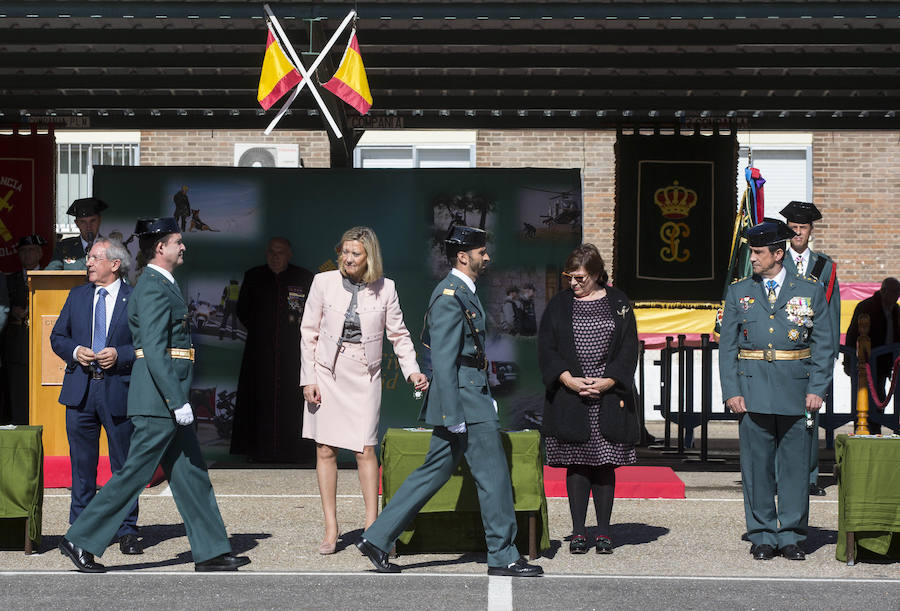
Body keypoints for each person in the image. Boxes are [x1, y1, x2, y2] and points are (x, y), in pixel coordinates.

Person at [59, 217, 250, 573]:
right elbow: (155, 348)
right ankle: (80, 538)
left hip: (165, 395)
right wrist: (176, 401)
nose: (183, 247)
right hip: (159, 398)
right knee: (134, 473)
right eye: (178, 241)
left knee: (192, 475)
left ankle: (209, 551)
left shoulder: (161, 284)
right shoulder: (150, 286)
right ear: (161, 248)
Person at [357, 226, 543, 577]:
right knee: (494, 477)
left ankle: (377, 538)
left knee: (432, 472)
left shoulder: (462, 292)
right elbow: (442, 359)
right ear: (463, 256)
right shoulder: (450, 295)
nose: (486, 257)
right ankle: (502, 555)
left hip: (468, 393)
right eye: (481, 252)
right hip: (464, 398)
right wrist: (453, 411)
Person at [300, 226, 428, 555]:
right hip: (327, 372)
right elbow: (308, 333)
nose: (348, 258)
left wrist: (413, 371)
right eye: (344, 252)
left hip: (365, 374)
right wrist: (308, 379)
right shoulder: (322, 282)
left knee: (365, 450)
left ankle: (374, 529)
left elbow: (399, 336)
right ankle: (331, 529)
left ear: (369, 256)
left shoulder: (387, 288)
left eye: (355, 253)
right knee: (325, 449)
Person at [719, 218, 833, 562]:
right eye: (751, 252)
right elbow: (727, 347)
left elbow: (824, 344)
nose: (752, 259)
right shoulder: (740, 291)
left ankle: (792, 535)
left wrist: (818, 389)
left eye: (758, 252)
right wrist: (731, 391)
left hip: (797, 393)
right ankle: (763, 534)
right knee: (756, 469)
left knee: (796, 469)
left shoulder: (809, 290)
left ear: (778, 254)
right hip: (752, 393)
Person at [537, 244, 638, 554]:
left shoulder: (619, 302)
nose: (573, 282)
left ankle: (605, 532)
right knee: (578, 465)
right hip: (572, 397)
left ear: (596, 274)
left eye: (580, 277)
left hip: (606, 398)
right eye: (570, 276)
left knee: (604, 464)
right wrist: (567, 378)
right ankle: (579, 532)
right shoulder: (559, 304)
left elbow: (628, 348)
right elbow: (547, 347)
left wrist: (608, 382)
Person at [49, 238, 142, 555]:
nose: (87, 262)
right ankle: (80, 532)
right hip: (81, 392)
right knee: (82, 468)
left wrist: (121, 354)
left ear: (115, 264)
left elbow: (147, 345)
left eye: (93, 258)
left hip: (119, 390)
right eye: (88, 258)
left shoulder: (136, 298)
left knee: (124, 466)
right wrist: (75, 351)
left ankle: (127, 529)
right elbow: (57, 336)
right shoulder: (77, 296)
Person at [230, 237, 315, 463]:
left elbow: (313, 313)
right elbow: (243, 311)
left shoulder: (304, 278)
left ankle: (295, 451)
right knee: (258, 400)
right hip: (260, 353)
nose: (275, 257)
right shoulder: (254, 276)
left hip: (294, 354)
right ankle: (259, 451)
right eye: (271, 252)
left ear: (289, 255)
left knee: (293, 401)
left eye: (280, 253)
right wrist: (263, 331)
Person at [779, 200, 840, 497]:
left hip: (812, 352)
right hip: (783, 350)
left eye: (803, 228)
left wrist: (830, 354)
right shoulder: (776, 261)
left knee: (809, 416)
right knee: (780, 415)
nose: (798, 233)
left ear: (811, 230)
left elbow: (832, 310)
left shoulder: (824, 265)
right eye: (793, 228)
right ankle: (781, 476)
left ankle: (810, 476)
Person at [843, 277, 900, 434]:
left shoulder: (896, 310)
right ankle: (864, 431)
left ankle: (877, 432)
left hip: (888, 364)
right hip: (866, 363)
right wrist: (847, 362)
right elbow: (851, 335)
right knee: (864, 400)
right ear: (883, 291)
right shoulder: (866, 307)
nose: (896, 296)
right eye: (893, 292)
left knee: (880, 398)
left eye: (898, 293)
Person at [1, 234, 47, 423]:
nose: (28, 254)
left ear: (40, 253)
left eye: (32, 250)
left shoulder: (49, 277)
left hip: (43, 344)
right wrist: (12, 311)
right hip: (16, 344)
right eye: (24, 251)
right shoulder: (8, 280)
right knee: (17, 392)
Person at [46, 197, 107, 270]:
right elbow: (50, 273)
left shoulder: (111, 246)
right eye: (83, 222)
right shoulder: (64, 247)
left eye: (92, 221)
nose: (88, 226)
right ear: (77, 223)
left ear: (99, 220)